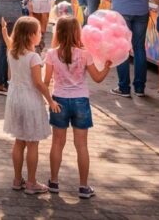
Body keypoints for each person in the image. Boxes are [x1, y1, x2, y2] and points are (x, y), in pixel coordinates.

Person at [44, 16, 112, 199]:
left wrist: (48, 100)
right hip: (81, 100)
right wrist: (106, 67)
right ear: (77, 32)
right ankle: (83, 186)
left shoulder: (51, 54)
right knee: (81, 145)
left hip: (59, 100)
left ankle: (54, 181)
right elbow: (97, 78)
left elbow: (45, 81)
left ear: (57, 32)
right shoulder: (85, 54)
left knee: (57, 143)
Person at [1, 17, 58, 195]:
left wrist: (4, 32)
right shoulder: (33, 57)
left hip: (14, 99)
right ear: (31, 35)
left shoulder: (12, 52)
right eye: (39, 32)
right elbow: (39, 84)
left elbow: (9, 44)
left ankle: (17, 180)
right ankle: (32, 182)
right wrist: (50, 100)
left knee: (19, 141)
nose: (41, 34)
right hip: (30, 100)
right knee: (32, 143)